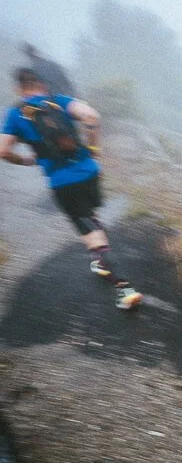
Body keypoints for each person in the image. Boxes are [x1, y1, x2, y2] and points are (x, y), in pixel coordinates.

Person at [0, 68, 142, 310]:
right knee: (90, 217)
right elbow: (92, 117)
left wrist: (24, 160)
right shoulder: (58, 102)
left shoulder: (16, 114)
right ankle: (100, 259)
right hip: (90, 173)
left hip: (63, 182)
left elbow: (3, 150)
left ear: (19, 88)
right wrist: (94, 151)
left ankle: (123, 287)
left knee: (90, 234)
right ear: (41, 84)